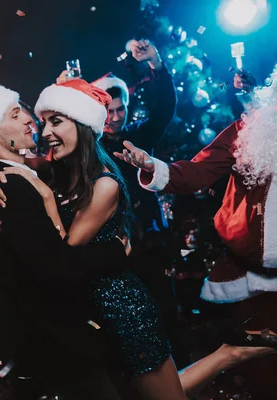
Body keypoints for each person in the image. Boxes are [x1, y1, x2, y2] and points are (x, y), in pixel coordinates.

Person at [0, 79, 276, 399]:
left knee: (165, 396)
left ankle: (231, 353)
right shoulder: (61, 174)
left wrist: (38, 189)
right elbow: (11, 160)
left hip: (122, 307)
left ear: (82, 126)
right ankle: (230, 352)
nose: (44, 130)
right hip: (95, 310)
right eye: (45, 121)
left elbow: (64, 250)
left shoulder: (104, 184)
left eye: (56, 122)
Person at [0, 84, 132, 399]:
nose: (29, 120)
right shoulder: (12, 187)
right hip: (53, 340)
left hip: (55, 336)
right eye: (15, 114)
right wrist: (115, 251)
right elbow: (54, 266)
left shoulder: (17, 174)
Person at [114, 64, 277, 399]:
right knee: (264, 375)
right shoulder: (248, 132)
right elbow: (197, 172)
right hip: (253, 280)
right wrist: (152, 167)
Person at [62, 38, 186, 366]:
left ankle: (183, 375)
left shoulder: (140, 138)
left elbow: (166, 107)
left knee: (167, 312)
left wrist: (155, 63)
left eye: (121, 109)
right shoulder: (90, 150)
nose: (116, 117)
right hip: (118, 249)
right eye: (109, 111)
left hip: (152, 241)